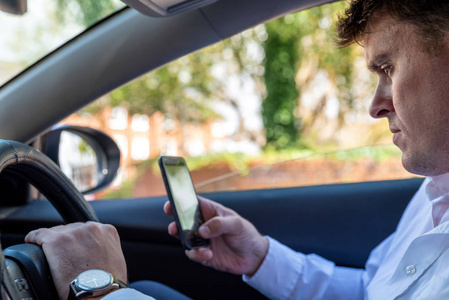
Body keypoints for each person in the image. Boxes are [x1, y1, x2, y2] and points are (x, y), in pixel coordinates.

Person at [25, 0, 449, 299]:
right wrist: (261, 258)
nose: (376, 105)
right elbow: (369, 293)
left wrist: (98, 288)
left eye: (388, 68)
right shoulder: (436, 190)